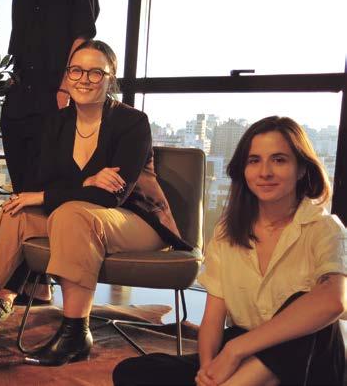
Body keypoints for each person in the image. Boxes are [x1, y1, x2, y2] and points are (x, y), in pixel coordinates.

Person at [0, 40, 192, 366]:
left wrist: (51, 194)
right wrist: (85, 183)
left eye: (96, 72)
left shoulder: (132, 123)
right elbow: (39, 181)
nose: (84, 79)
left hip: (135, 220)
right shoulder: (56, 122)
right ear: (67, 76)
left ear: (110, 78)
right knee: (16, 213)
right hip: (77, 217)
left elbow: (112, 196)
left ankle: (75, 333)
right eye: (76, 70)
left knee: (71, 213)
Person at [113, 116, 346, 386]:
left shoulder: (324, 228)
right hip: (245, 356)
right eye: (254, 160)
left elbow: (334, 301)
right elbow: (213, 319)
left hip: (307, 364)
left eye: (279, 160)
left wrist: (236, 350)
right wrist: (208, 369)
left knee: (306, 310)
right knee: (133, 372)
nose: (265, 172)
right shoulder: (228, 232)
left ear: (302, 168)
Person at [0, 0, 99, 195]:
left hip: (58, 98)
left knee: (52, 189)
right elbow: (17, 49)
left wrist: (65, 88)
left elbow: (83, 34)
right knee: (22, 191)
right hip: (19, 104)